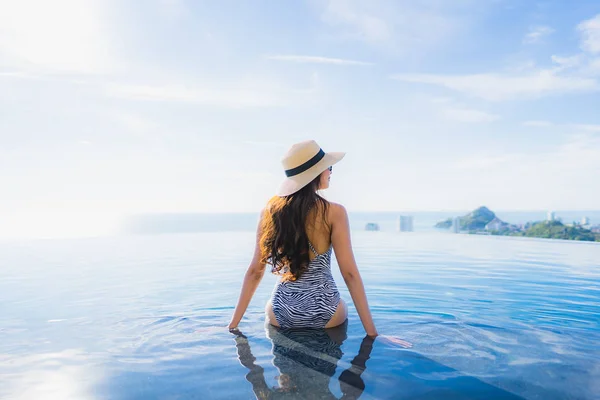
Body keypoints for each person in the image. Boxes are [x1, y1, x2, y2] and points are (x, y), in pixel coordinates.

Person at [228, 140, 399, 340]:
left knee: (285, 371)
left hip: (281, 312)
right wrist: (373, 334)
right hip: (327, 312)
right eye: (328, 167)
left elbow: (254, 272)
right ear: (315, 172)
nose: (330, 171)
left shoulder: (270, 212)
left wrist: (232, 326)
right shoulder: (334, 212)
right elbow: (350, 275)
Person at [230, 322, 375, 399]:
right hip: (296, 335)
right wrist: (238, 338)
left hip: (323, 350)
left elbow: (352, 387)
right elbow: (253, 370)